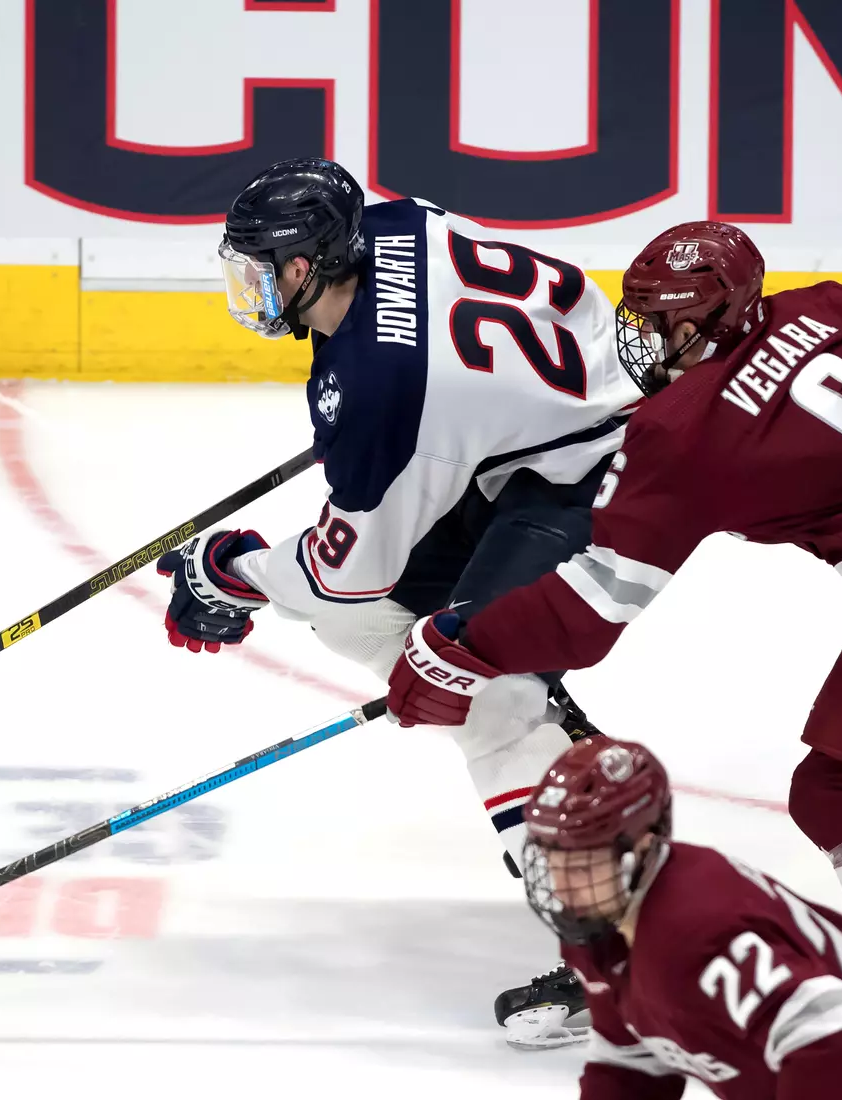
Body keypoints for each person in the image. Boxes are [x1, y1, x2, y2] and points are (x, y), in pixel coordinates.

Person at [384, 221, 842, 1071]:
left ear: (708, 320)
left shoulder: (678, 435)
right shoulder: (822, 307)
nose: (646, 338)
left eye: (662, 322)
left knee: (840, 791)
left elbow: (595, 609)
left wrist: (463, 640)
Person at [154, 155, 641, 1040]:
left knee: (473, 688)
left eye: (260, 271)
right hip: (540, 433)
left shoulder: (386, 397)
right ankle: (576, 781)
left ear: (306, 268)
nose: (249, 289)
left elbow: (346, 585)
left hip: (598, 471)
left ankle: (623, 964)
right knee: (453, 651)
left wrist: (235, 568)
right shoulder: (391, 220)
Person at [515, 734, 842, 1100]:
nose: (561, 883)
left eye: (582, 863)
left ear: (641, 849)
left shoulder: (695, 926)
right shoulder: (597, 927)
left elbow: (839, 1039)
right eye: (553, 859)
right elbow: (630, 1065)